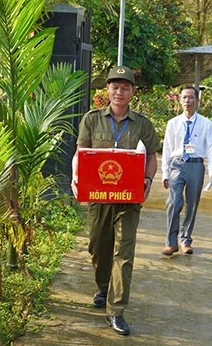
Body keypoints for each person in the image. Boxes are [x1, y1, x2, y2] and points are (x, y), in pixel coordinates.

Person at [71, 65, 160, 336]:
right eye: (114, 87)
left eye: (125, 87)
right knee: (99, 247)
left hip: (128, 200)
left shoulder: (143, 123)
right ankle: (102, 287)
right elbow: (81, 152)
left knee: (124, 252)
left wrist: (147, 181)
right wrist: (76, 179)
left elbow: (152, 157)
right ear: (107, 90)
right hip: (99, 198)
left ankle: (116, 310)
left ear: (132, 91)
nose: (119, 92)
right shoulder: (92, 119)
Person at [160, 85, 212, 256]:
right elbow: (167, 149)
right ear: (179, 100)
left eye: (191, 97)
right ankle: (171, 242)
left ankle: (186, 239)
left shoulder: (205, 123)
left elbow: (211, 148)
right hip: (177, 165)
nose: (188, 101)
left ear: (197, 100)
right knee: (173, 202)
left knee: (192, 204)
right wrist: (165, 173)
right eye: (184, 97)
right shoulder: (173, 123)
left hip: (196, 165)